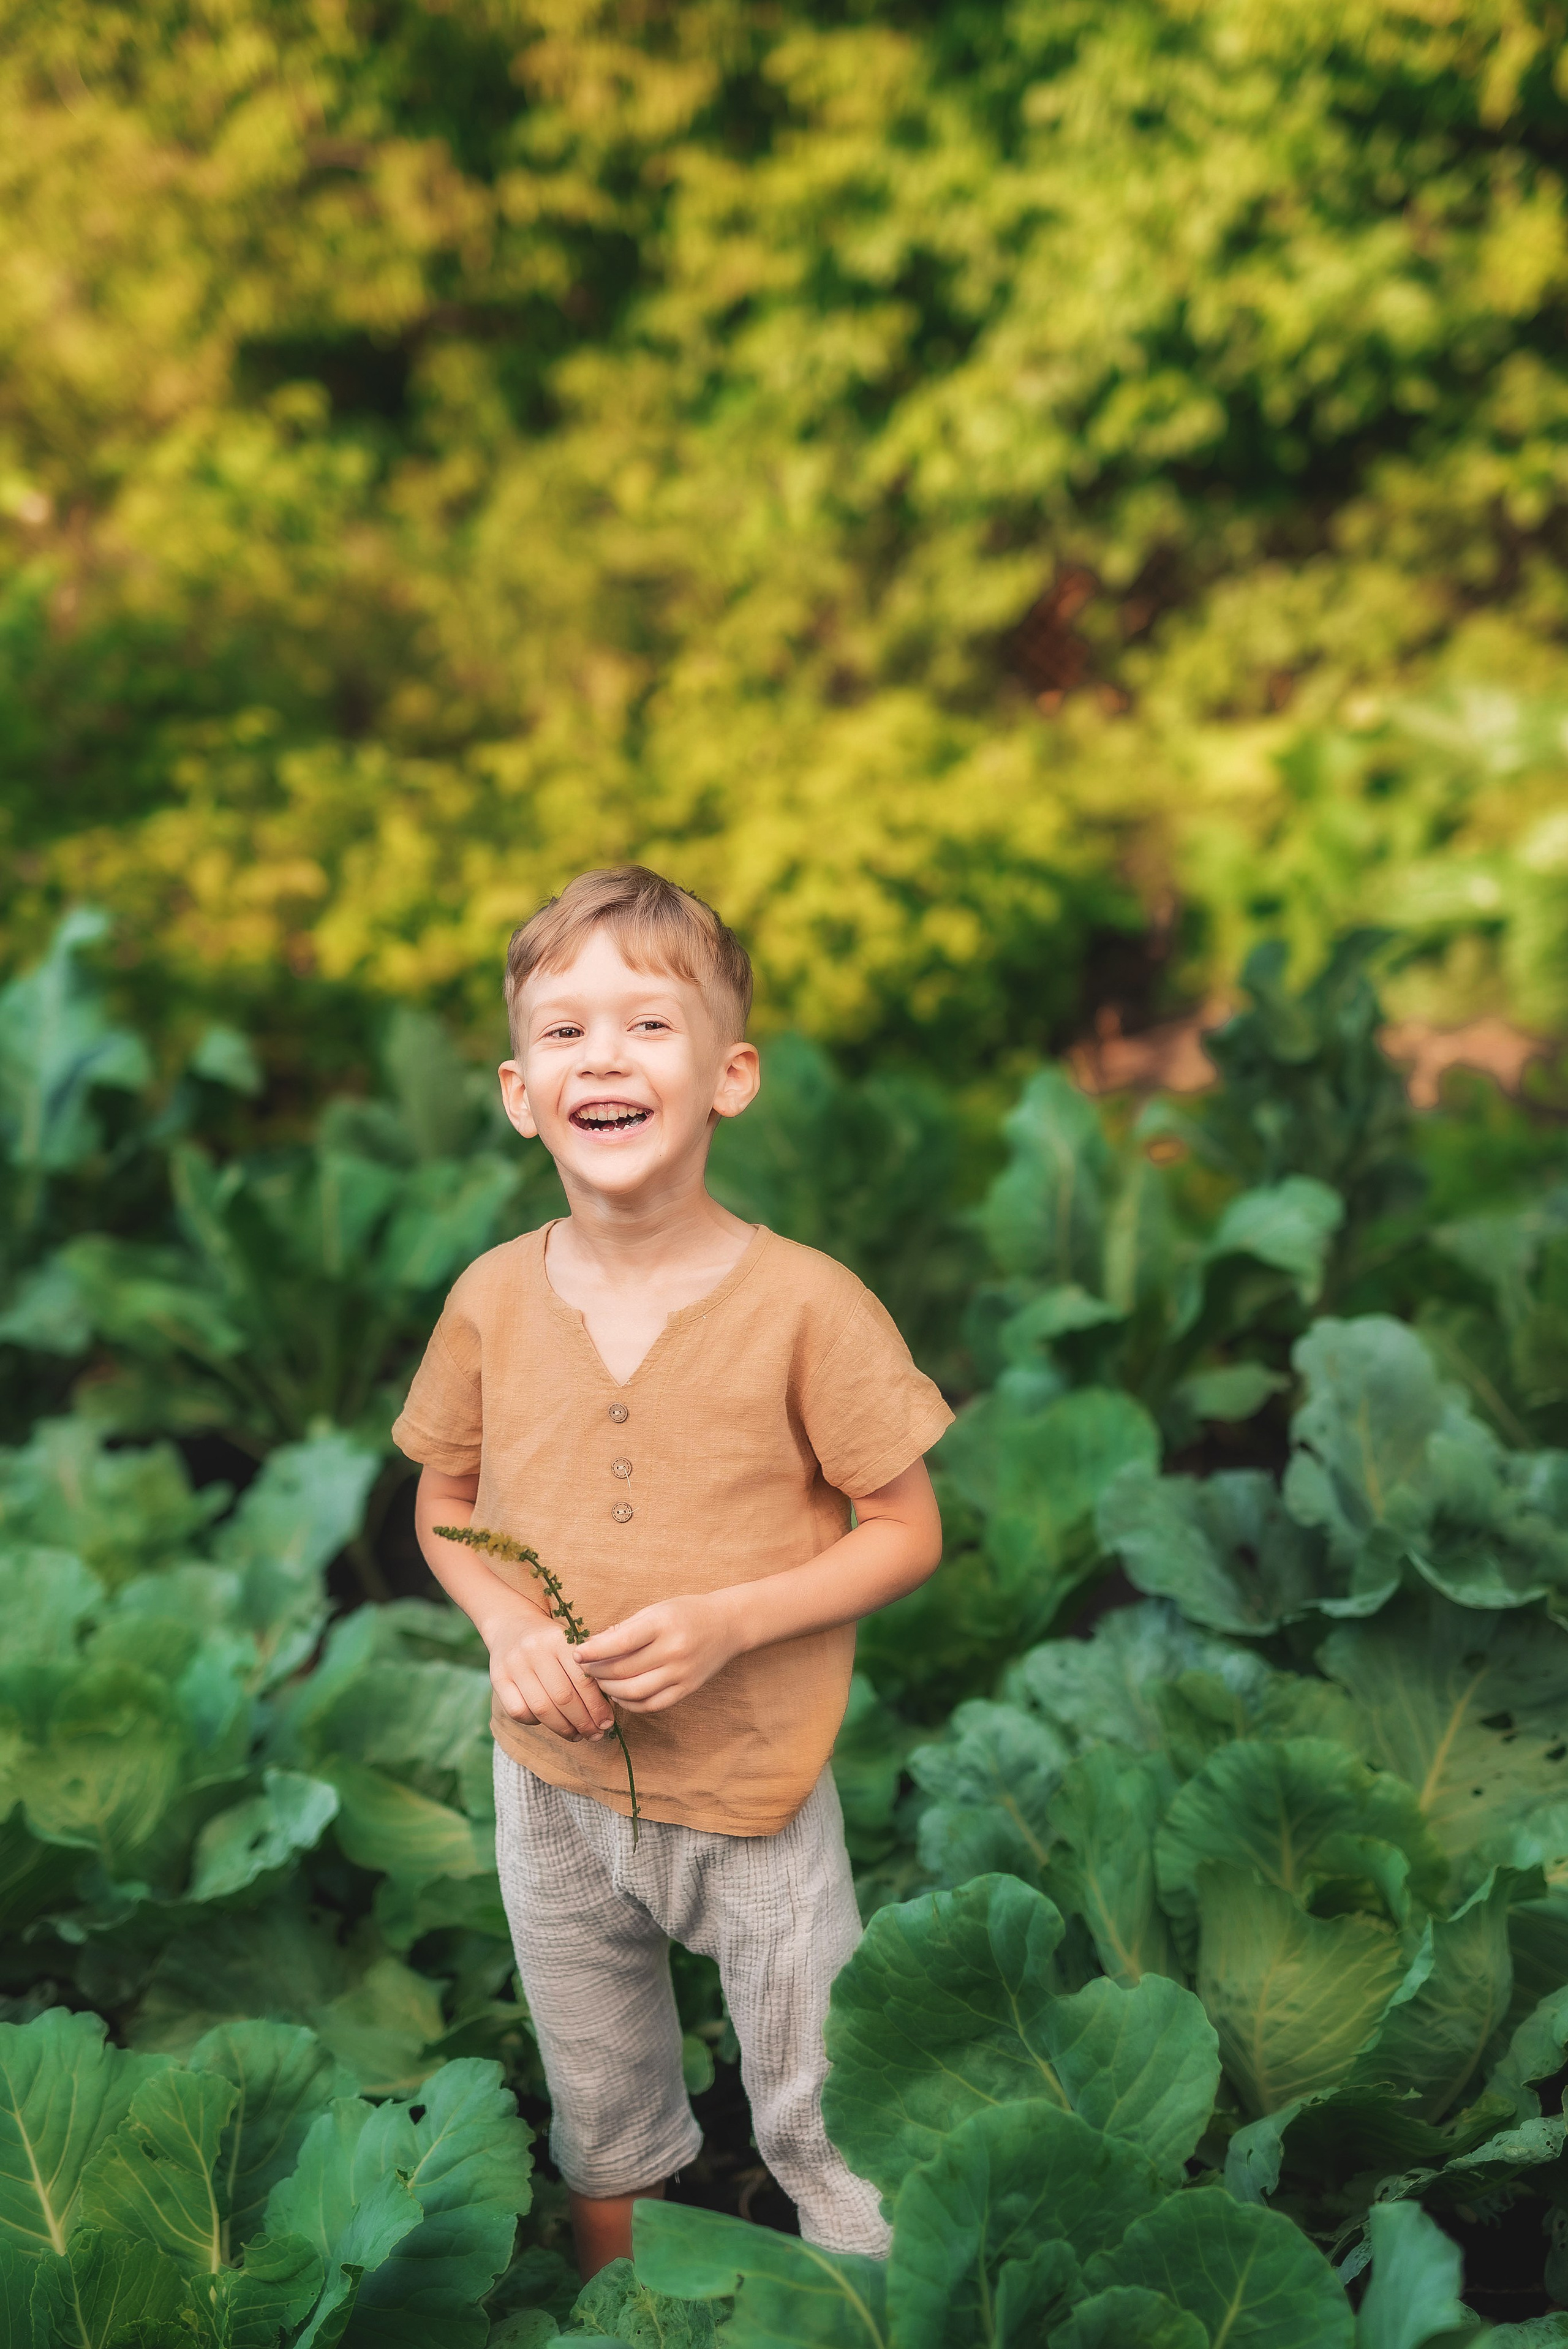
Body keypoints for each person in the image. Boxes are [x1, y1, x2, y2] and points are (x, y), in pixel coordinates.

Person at [394, 865, 952, 2279]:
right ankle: (620, 2304)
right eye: (564, 1032)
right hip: (550, 1782)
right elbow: (442, 1502)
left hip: (754, 1788)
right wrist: (505, 1625)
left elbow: (905, 1528)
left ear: (728, 1077)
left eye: (647, 1024)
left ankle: (861, 2304)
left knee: (822, 2098)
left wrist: (730, 1622)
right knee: (600, 2084)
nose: (603, 1057)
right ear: (521, 1094)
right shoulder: (490, 1298)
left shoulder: (808, 1305)